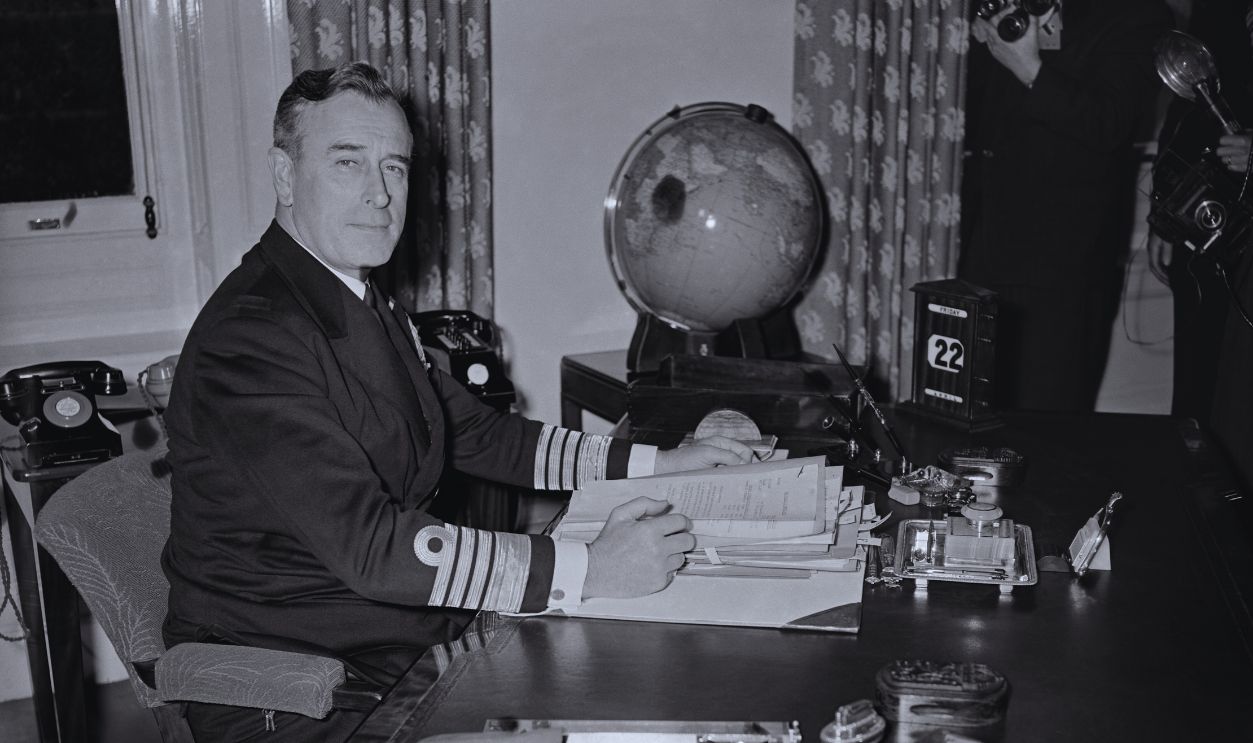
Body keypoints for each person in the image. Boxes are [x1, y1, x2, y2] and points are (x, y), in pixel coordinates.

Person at [160, 62, 753, 739]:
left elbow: (485, 435)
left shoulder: (359, 299)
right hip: (303, 688)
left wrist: (664, 461)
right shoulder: (251, 338)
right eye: (348, 162)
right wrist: (593, 566)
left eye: (395, 167)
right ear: (285, 175)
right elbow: (376, 546)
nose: (379, 194)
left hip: (392, 640)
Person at [959, 0, 1172, 412]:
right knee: (969, 416)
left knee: (1046, 423)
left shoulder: (1137, 15)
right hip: (978, 251)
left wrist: (1029, 69)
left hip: (1061, 267)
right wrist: (971, 45)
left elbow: (1110, 122)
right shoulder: (1007, 8)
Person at [1149, 0, 1253, 428]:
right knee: (1196, 388)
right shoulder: (1219, 10)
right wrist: (1165, 208)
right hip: (1208, 226)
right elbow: (1186, 109)